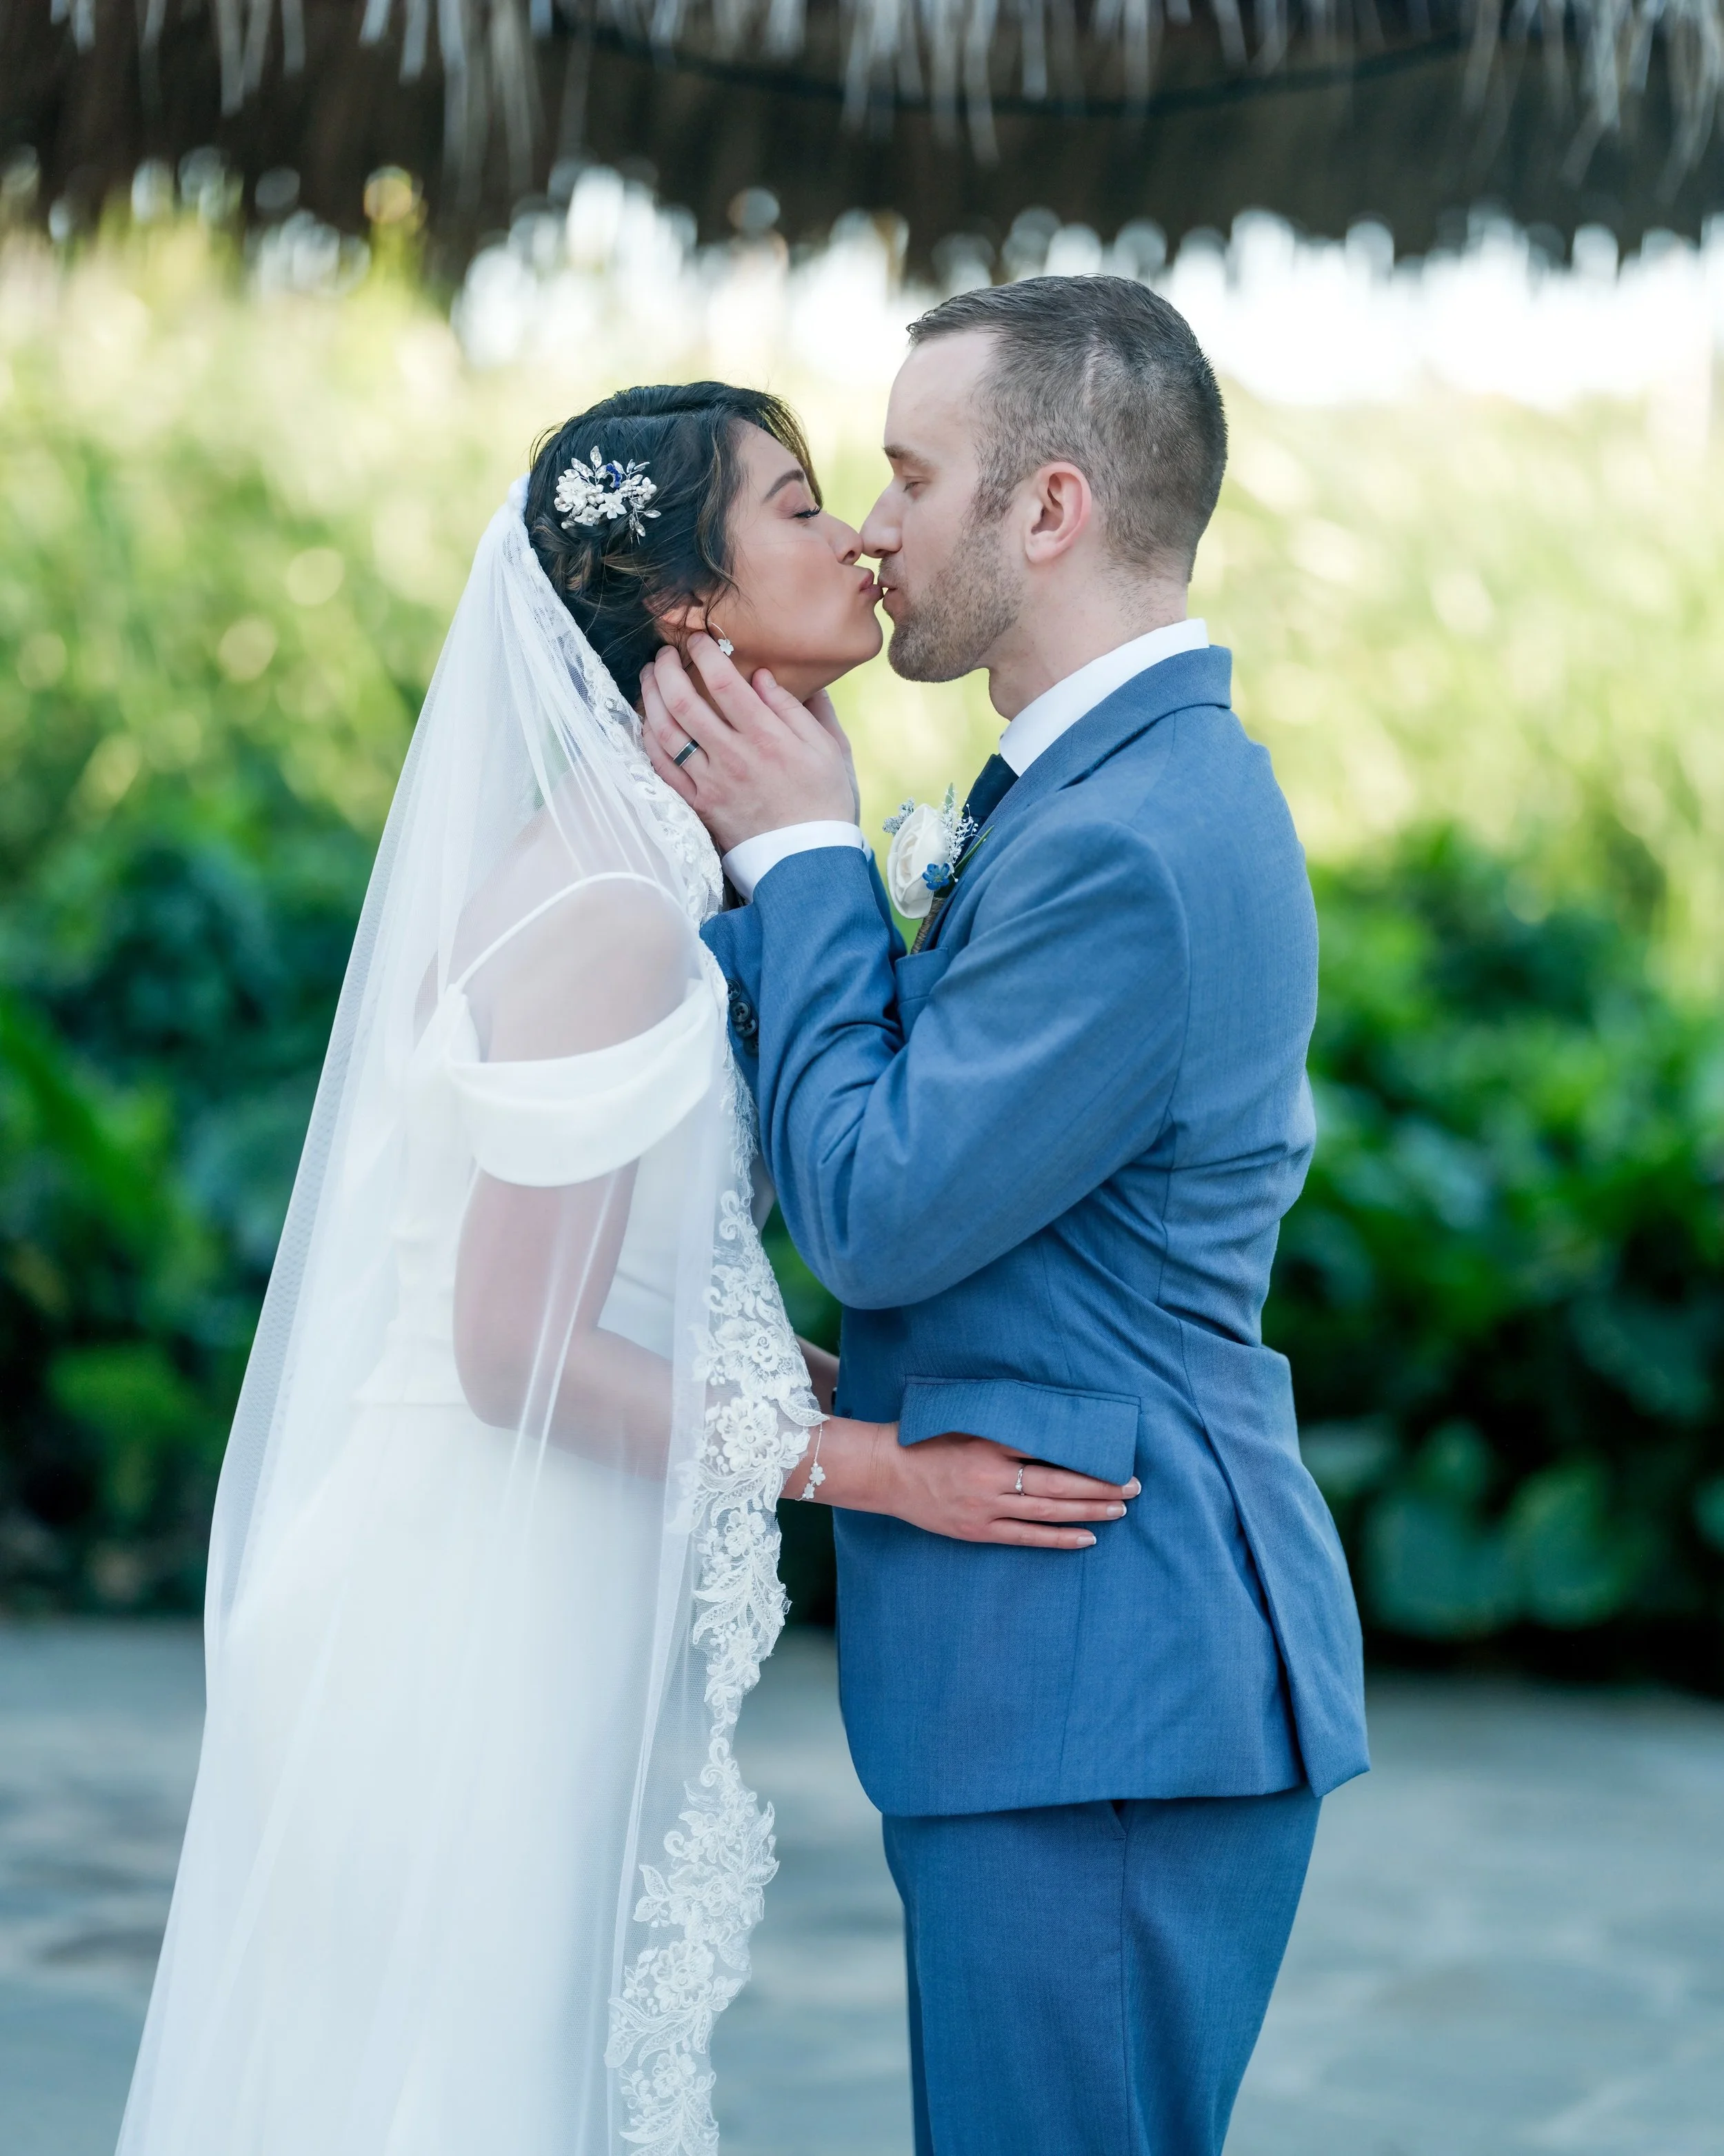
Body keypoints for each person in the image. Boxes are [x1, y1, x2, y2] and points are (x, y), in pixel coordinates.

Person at [114, 383, 1135, 2156]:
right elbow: (512, 1341)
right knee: (458, 2079)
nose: (857, 543)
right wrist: (879, 1473)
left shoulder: (655, 872)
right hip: (468, 1585)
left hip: (536, 1547)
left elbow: (635, 1287)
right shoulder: (599, 910)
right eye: (801, 507)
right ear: (684, 609)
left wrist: (852, 1385)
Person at [641, 279, 1371, 2156]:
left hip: (1104, 1674)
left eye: (906, 471)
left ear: (1045, 508)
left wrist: (806, 853)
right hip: (1061, 1673)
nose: (871, 525)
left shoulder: (1132, 839)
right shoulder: (1090, 796)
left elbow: (878, 1205)